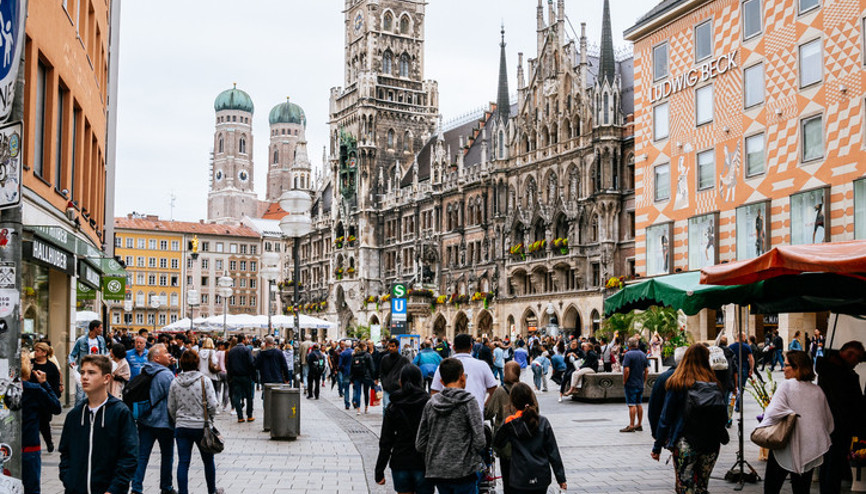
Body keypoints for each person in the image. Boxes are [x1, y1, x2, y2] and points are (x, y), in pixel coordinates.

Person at [651, 345, 729, 494]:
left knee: (685, 487)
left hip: (685, 442)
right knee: (702, 486)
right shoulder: (714, 383)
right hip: (710, 443)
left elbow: (665, 417)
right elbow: (723, 416)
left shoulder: (678, 382)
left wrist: (657, 446)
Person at [59, 355, 138, 494]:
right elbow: (65, 453)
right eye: (82, 372)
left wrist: (114, 489)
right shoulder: (74, 415)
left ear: (106, 378)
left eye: (91, 373)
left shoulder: (120, 413)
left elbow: (129, 456)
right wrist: (69, 481)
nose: (84, 377)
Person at [761, 350, 833, 494]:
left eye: (787, 365)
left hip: (784, 445)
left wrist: (788, 416)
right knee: (802, 489)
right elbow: (828, 422)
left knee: (771, 487)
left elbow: (772, 412)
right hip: (809, 447)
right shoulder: (817, 390)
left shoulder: (786, 386)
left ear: (797, 367)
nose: (783, 368)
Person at [415, 358, 486, 493]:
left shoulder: (431, 404)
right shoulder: (469, 402)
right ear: (462, 377)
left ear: (441, 381)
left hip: (438, 471)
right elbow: (480, 441)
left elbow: (420, 443)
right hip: (464, 470)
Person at [493, 382, 567, 493]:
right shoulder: (543, 422)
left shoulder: (511, 424)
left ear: (513, 402)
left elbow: (498, 443)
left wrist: (505, 426)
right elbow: (553, 452)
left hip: (519, 478)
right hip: (541, 477)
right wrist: (561, 478)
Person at [167, 350, 224, 494]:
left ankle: (183, 491)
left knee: (183, 462)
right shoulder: (205, 380)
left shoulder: (175, 382)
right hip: (202, 427)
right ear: (197, 363)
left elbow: (171, 406)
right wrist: (210, 418)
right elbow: (212, 404)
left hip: (182, 426)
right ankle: (211, 490)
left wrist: (177, 419)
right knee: (208, 460)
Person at [817, 340, 866, 494]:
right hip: (838, 427)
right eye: (857, 359)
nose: (856, 363)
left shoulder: (831, 369)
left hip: (831, 425)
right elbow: (847, 404)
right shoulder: (839, 374)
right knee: (833, 468)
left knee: (829, 467)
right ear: (849, 355)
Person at [375, 364, 432, 494]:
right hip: (423, 462)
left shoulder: (393, 406)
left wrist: (379, 470)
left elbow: (386, 440)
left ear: (400, 382)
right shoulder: (428, 404)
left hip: (400, 461)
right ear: (421, 381)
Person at [131, 343, 177, 494]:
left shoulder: (144, 370)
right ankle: (166, 487)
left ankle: (136, 487)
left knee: (142, 456)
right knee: (167, 456)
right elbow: (173, 399)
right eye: (165, 353)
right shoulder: (166, 375)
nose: (169, 354)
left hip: (145, 420)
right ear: (157, 358)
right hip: (164, 422)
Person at [22, 350, 61, 494]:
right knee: (31, 488)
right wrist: (45, 384)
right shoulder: (34, 390)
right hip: (29, 448)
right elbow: (56, 407)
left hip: (7, 449)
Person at [430, 333, 498, 415]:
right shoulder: (482, 365)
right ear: (471, 347)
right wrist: (483, 406)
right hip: (475, 414)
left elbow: (434, 391)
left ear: (454, 348)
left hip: (449, 416)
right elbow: (494, 390)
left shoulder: (444, 365)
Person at [485, 361, 522, 493]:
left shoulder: (500, 392)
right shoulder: (525, 389)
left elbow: (488, 413)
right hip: (523, 440)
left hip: (505, 442)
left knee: (507, 476)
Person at [648, 346, 687, 440]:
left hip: (673, 430)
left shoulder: (664, 378)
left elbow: (654, 407)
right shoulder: (701, 376)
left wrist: (657, 433)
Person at [30, 342, 61, 453]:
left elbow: (55, 384)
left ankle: (49, 442)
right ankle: (34, 444)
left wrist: (54, 397)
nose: (35, 353)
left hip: (44, 399)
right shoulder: (30, 363)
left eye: (38, 351)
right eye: (35, 350)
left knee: (44, 424)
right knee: (33, 423)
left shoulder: (51, 367)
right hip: (31, 399)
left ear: (44, 353)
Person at [68, 320, 108, 402]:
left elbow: (105, 353)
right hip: (83, 372)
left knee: (96, 395)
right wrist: (71, 362)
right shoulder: (81, 340)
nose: (102, 330)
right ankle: (79, 414)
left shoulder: (101, 340)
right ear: (95, 328)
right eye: (100, 328)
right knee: (80, 397)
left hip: (97, 372)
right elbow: (72, 355)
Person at [620, 337, 649, 432]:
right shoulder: (643, 354)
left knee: (631, 404)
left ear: (629, 344)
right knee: (639, 403)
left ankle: (631, 425)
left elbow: (626, 369)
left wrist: (625, 380)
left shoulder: (628, 355)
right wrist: (644, 381)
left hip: (631, 382)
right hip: (640, 382)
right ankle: (639, 424)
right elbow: (646, 370)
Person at [227, 335, 256, 422]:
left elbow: (229, 365)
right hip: (246, 376)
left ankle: (240, 416)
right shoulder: (247, 350)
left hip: (235, 376)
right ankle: (249, 415)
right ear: (243, 340)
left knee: (237, 396)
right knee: (249, 396)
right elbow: (251, 363)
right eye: (246, 339)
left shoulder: (232, 351)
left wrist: (230, 377)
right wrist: (253, 375)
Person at [379, 338, 410, 409]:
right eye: (389, 346)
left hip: (399, 389)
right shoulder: (385, 359)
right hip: (388, 388)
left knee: (399, 408)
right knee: (386, 407)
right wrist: (384, 383)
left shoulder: (404, 360)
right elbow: (381, 372)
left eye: (393, 346)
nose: (390, 348)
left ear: (397, 347)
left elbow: (407, 373)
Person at [729, 332, 755, 413]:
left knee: (734, 388)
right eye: (744, 336)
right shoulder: (746, 346)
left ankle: (732, 404)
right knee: (741, 388)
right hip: (743, 368)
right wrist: (751, 369)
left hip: (733, 369)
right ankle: (737, 405)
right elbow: (751, 359)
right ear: (742, 337)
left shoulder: (731, 347)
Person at [351, 341, 376, 415]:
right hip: (366, 376)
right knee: (366, 392)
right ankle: (366, 408)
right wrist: (373, 377)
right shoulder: (367, 355)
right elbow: (372, 368)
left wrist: (351, 378)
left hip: (357, 377)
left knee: (358, 392)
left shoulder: (355, 355)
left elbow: (352, 368)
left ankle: (358, 409)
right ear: (364, 347)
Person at [339, 341, 354, 409]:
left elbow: (340, 365)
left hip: (346, 372)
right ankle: (354, 400)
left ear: (345, 345)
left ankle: (347, 403)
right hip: (354, 372)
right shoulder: (354, 352)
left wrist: (343, 370)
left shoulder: (343, 353)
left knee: (346, 389)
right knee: (355, 387)